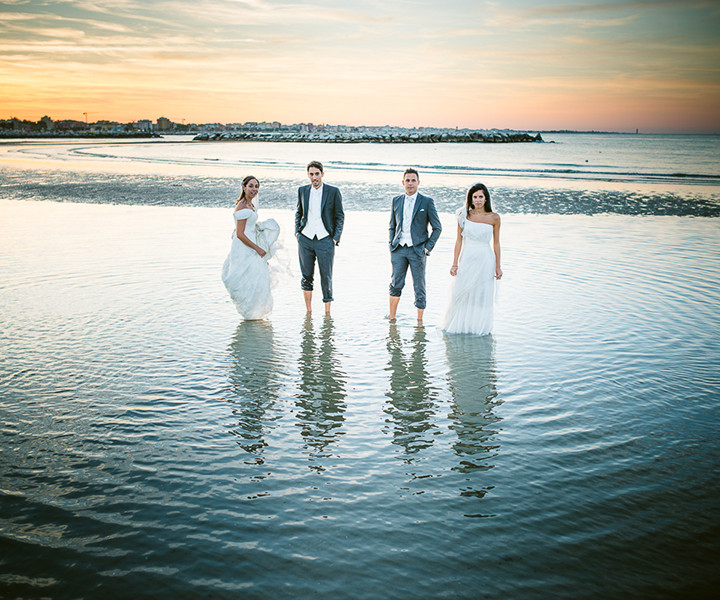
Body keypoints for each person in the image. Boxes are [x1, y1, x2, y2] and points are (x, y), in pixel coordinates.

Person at [442, 182, 502, 335]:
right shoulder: (464, 216)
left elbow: (496, 243)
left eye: (480, 196)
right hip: (467, 258)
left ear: (486, 198)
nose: (478, 200)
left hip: (485, 260)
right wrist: (454, 264)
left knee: (482, 294)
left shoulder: (494, 218)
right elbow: (458, 240)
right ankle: (460, 325)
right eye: (474, 197)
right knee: (462, 291)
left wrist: (498, 266)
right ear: (470, 199)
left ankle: (478, 327)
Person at [388, 168, 442, 322]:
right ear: (403, 182)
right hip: (398, 249)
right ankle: (392, 318)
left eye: (413, 180)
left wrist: (427, 247)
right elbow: (392, 225)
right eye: (407, 180)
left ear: (418, 182)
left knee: (419, 286)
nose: (410, 183)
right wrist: (391, 244)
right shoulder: (396, 200)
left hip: (417, 250)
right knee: (395, 283)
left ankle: (419, 321)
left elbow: (437, 228)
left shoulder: (427, 202)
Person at [222, 175, 280, 320]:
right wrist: (257, 248)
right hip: (244, 247)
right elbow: (240, 234)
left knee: (256, 277)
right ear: (244, 187)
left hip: (251, 243)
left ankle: (254, 312)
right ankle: (248, 312)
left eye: (256, 186)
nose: (254, 189)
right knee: (245, 277)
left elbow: (248, 226)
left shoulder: (250, 204)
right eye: (251, 186)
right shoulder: (241, 206)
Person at [295, 161, 344, 315]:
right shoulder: (302, 190)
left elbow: (340, 216)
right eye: (311, 174)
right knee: (306, 276)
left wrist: (335, 238)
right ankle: (308, 312)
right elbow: (299, 212)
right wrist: (297, 232)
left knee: (326, 276)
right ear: (308, 175)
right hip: (305, 239)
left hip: (325, 240)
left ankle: (327, 314)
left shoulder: (333, 191)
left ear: (322, 174)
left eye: (317, 174)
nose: (314, 177)